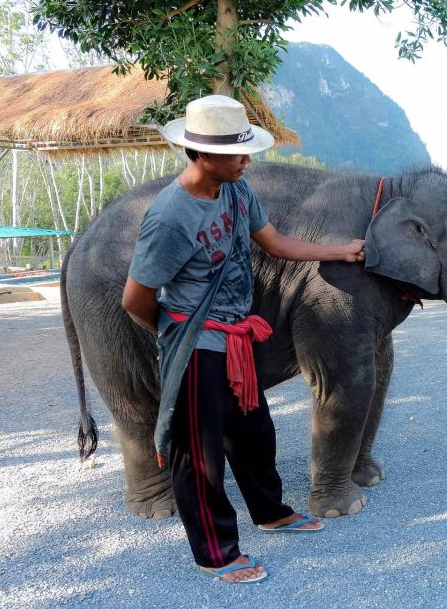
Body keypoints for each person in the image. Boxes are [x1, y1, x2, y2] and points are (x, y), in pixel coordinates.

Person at [121, 95, 366, 582]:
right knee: (200, 454)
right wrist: (180, 337)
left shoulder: (237, 192)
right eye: (238, 153)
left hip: (235, 341)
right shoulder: (170, 216)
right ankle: (216, 552)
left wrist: (340, 251)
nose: (246, 160)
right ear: (202, 154)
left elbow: (274, 242)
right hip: (196, 346)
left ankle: (270, 512)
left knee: (254, 433)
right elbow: (135, 299)